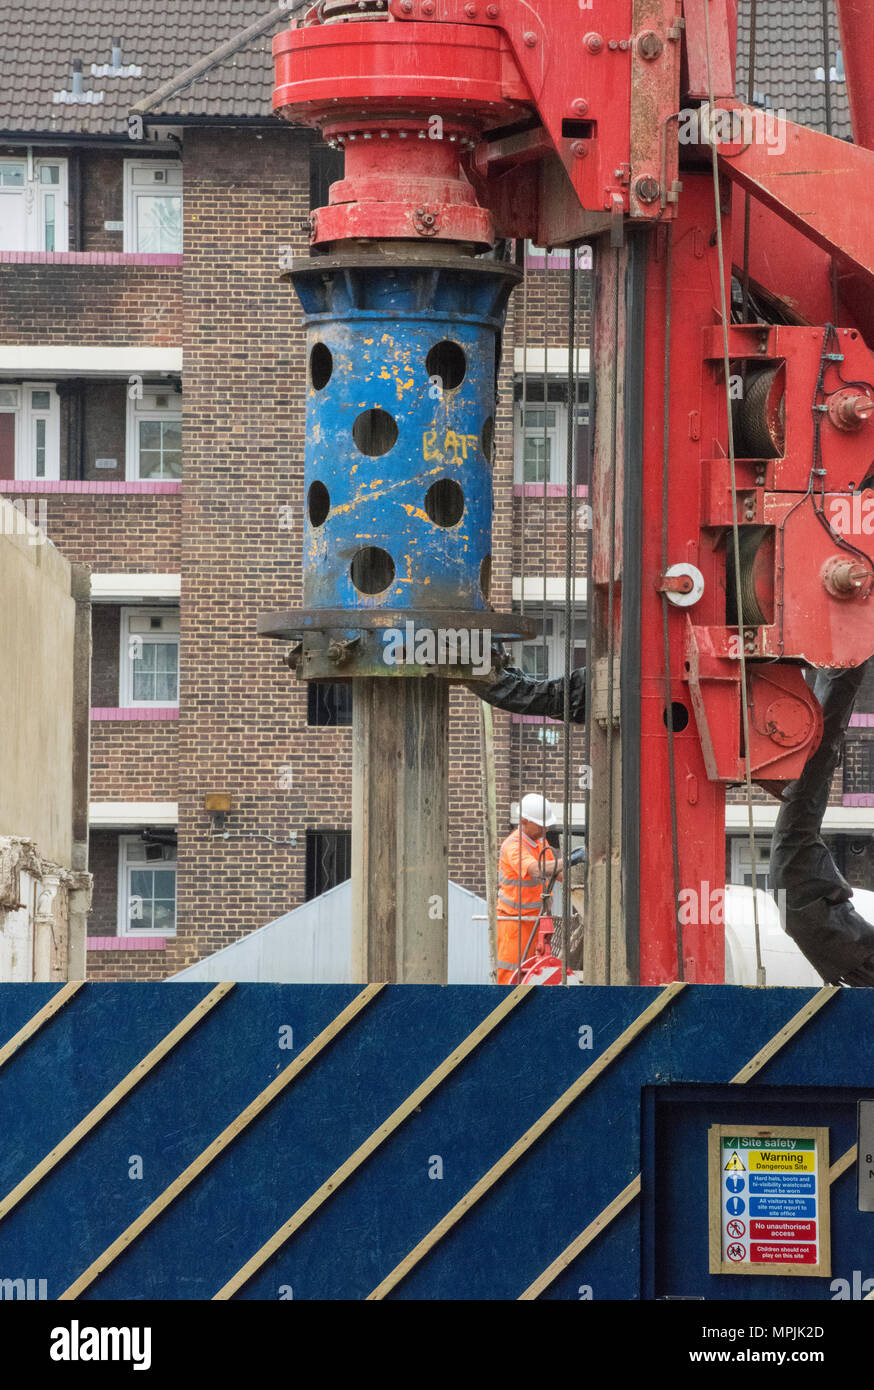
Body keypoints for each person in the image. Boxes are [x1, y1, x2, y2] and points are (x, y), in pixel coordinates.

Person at [496, 794, 564, 984]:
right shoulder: (513, 846)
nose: (545, 828)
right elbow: (536, 869)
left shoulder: (541, 843)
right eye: (541, 825)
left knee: (536, 975)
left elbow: (557, 873)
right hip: (515, 924)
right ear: (524, 821)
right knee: (511, 976)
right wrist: (567, 861)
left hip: (538, 922)